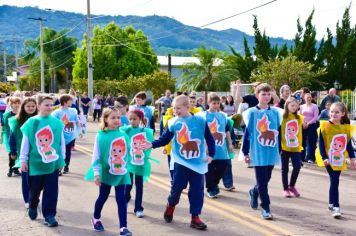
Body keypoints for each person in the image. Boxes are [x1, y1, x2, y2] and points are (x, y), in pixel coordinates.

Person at [142, 95, 215, 230]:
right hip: (180, 162)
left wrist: (211, 154)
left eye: (178, 108)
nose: (175, 111)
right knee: (176, 189)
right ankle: (171, 205)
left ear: (188, 107)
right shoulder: (174, 122)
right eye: (174, 108)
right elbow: (164, 139)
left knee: (197, 191)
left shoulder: (200, 120)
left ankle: (195, 217)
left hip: (198, 163)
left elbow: (209, 138)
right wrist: (151, 144)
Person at [20, 94, 66, 227]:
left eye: (51, 105)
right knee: (34, 190)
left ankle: (49, 215)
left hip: (52, 163)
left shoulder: (57, 123)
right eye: (46, 105)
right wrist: (23, 160)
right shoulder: (32, 122)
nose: (50, 107)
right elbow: (26, 142)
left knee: (51, 190)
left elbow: (60, 143)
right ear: (38, 106)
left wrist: (62, 160)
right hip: (35, 164)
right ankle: (33, 205)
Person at [86, 107, 132, 235]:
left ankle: (123, 227)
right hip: (106, 172)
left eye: (118, 117)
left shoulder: (123, 135)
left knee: (121, 198)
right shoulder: (100, 135)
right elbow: (97, 156)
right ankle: (95, 218)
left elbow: (128, 153)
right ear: (105, 119)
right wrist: (96, 173)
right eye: (113, 117)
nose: (117, 120)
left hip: (121, 173)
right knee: (103, 196)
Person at [242, 83, 282, 220]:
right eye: (263, 94)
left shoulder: (275, 112)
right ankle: (265, 207)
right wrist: (245, 152)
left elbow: (278, 131)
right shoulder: (252, 112)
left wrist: (280, 149)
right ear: (257, 95)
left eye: (268, 94)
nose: (266, 96)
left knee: (267, 178)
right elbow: (248, 133)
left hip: (271, 151)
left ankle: (254, 191)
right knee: (263, 181)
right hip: (257, 151)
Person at [315, 102, 356, 218]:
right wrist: (325, 158)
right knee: (335, 180)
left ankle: (331, 203)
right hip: (328, 158)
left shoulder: (345, 128)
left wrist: (353, 158)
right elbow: (321, 145)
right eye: (332, 111)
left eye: (337, 112)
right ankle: (336, 207)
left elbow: (348, 145)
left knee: (334, 180)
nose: (333, 114)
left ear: (343, 113)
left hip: (339, 159)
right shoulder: (325, 126)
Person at [197, 93, 233, 198]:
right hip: (208, 148)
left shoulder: (222, 116)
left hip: (221, 148)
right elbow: (200, 132)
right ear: (209, 103)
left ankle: (214, 184)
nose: (216, 105)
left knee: (222, 167)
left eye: (218, 103)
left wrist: (230, 143)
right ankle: (211, 189)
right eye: (214, 103)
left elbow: (227, 131)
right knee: (209, 169)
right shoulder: (203, 116)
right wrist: (204, 146)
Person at [121, 110, 154, 218]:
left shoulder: (145, 132)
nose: (132, 121)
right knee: (127, 185)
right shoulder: (125, 130)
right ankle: (125, 202)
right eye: (130, 119)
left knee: (139, 186)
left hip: (139, 163)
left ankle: (138, 208)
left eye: (134, 119)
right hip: (129, 163)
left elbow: (148, 146)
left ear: (140, 119)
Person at [9, 97, 38, 208]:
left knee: (36, 178)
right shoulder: (17, 120)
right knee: (25, 178)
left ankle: (34, 197)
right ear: (23, 107)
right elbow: (12, 137)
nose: (30, 108)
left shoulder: (40, 119)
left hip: (38, 154)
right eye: (28, 106)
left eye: (33, 106)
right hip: (23, 154)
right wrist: (13, 152)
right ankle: (27, 200)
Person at [280, 97, 303, 198]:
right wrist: (279, 147)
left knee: (297, 166)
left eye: (295, 106)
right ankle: (285, 189)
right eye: (291, 105)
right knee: (284, 169)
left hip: (296, 148)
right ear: (287, 106)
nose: (294, 107)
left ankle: (292, 186)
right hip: (284, 147)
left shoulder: (299, 118)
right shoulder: (282, 117)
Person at [52, 94, 82, 174]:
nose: (72, 101)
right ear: (65, 102)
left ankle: (66, 166)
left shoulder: (73, 110)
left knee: (68, 151)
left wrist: (80, 130)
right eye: (70, 100)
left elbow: (77, 121)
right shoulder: (57, 112)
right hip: (60, 136)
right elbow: (53, 123)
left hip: (70, 134)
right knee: (60, 151)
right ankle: (59, 167)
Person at [1, 96, 21, 177]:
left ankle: (16, 169)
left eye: (18, 103)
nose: (16, 105)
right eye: (14, 103)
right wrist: (3, 135)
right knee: (11, 153)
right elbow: (4, 126)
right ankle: (10, 168)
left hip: (19, 136)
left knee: (18, 153)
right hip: (9, 136)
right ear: (11, 104)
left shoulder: (22, 114)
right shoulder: (7, 115)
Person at [299, 92, 319, 163]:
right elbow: (300, 116)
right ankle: (302, 157)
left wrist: (308, 123)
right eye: (308, 97)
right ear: (304, 98)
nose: (309, 99)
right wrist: (303, 123)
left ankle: (311, 158)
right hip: (303, 125)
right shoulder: (301, 106)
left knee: (311, 142)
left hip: (312, 125)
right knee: (302, 142)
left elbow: (315, 117)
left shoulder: (315, 106)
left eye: (310, 97)